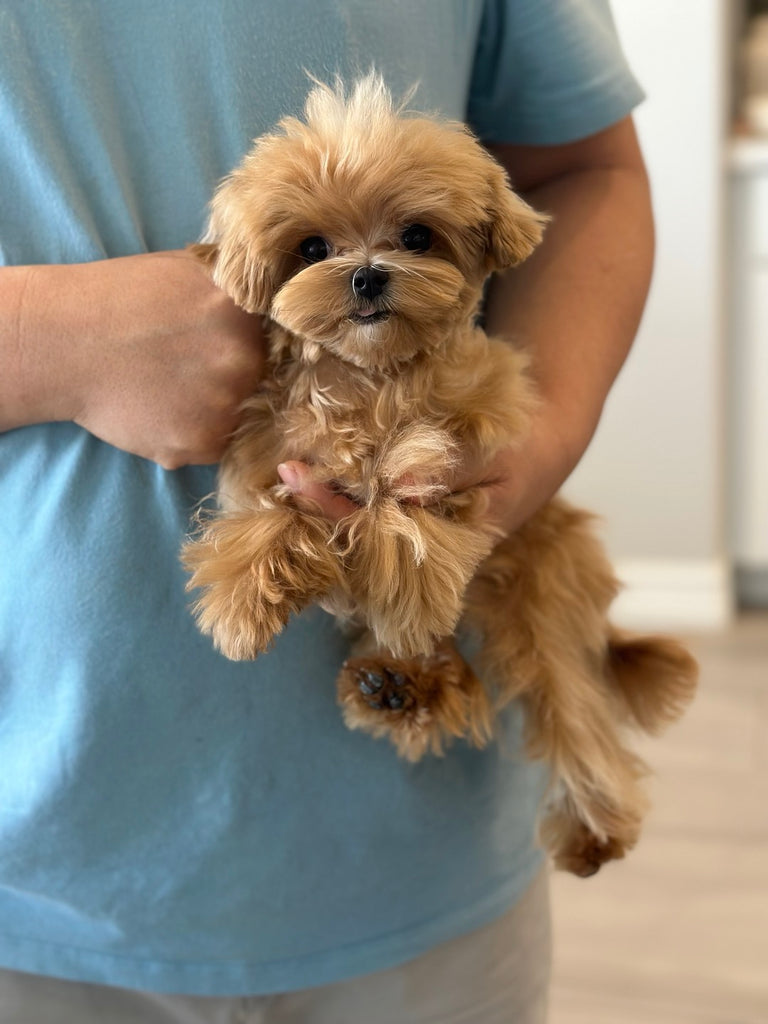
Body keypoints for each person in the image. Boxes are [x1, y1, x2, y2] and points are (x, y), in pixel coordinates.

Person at [0, 2, 652, 1021]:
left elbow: (585, 171)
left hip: (419, 856)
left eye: (411, 234)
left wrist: (527, 439)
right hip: (32, 863)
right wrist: (45, 341)